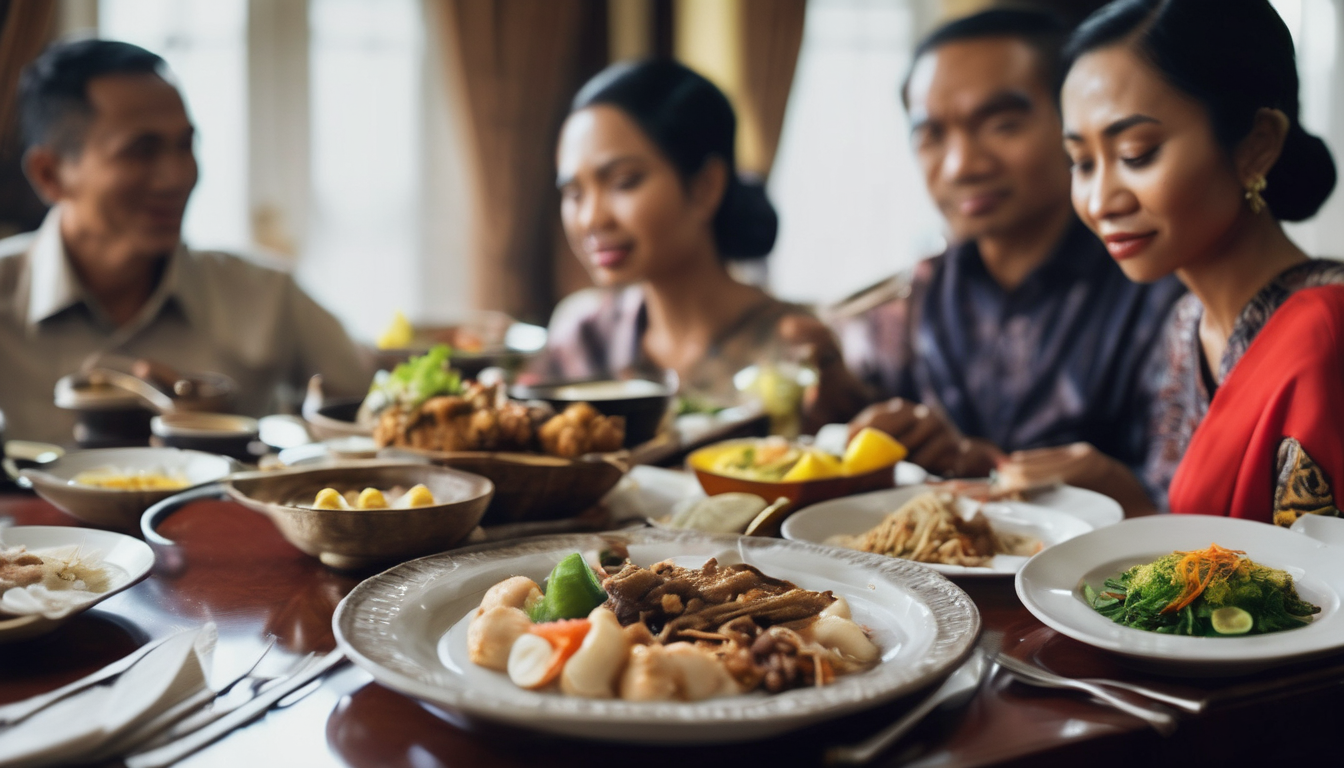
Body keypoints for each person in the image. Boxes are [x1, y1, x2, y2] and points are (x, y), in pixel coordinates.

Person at [820, 9, 1184, 513]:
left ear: (1075, 120)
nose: (961, 165)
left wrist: (1116, 487)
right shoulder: (917, 296)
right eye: (932, 136)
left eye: (1002, 125)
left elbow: (1191, 508)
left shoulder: (1161, 290)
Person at [0, 39, 373, 445]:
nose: (176, 177)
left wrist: (236, 437)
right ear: (50, 174)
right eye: (141, 151)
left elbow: (383, 418)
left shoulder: (267, 296)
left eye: (184, 145)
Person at [1060, 0, 1340, 525]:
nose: (1099, 202)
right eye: (1081, 162)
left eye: (1137, 153)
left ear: (1256, 145)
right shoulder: (1184, 323)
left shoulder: (1326, 332)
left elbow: (1315, 567)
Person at [530, 59, 835, 425]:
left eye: (624, 182)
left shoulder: (796, 346)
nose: (591, 219)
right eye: (574, 193)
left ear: (706, 186)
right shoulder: (584, 336)